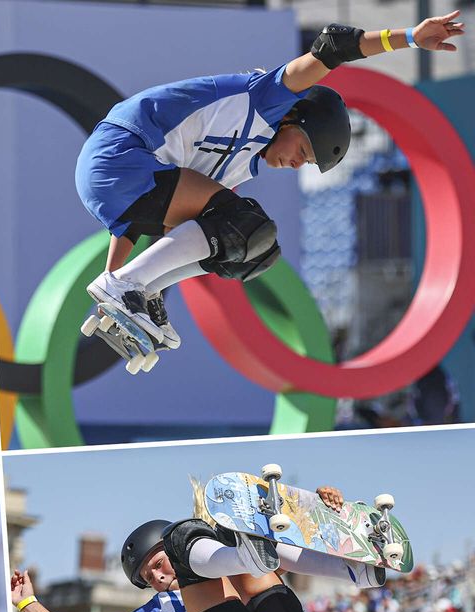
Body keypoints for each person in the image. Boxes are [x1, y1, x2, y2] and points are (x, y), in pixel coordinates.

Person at [76, 11, 463, 369]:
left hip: (119, 184)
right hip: (121, 151)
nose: (296, 164)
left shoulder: (237, 167)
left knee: (253, 249)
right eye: (302, 150)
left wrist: (116, 291)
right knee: (243, 223)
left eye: (305, 163)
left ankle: (141, 290)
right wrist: (411, 36)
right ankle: (127, 287)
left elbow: (132, 222)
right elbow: (334, 45)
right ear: (292, 119)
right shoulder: (268, 98)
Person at [11, 487, 385, 612]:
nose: (158, 578)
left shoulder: (224, 566)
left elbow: (295, 550)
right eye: (148, 578)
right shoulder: (157, 611)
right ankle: (239, 548)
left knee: (236, 550)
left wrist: (321, 505)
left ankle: (358, 570)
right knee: (224, 552)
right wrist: (28, 604)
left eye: (158, 565)